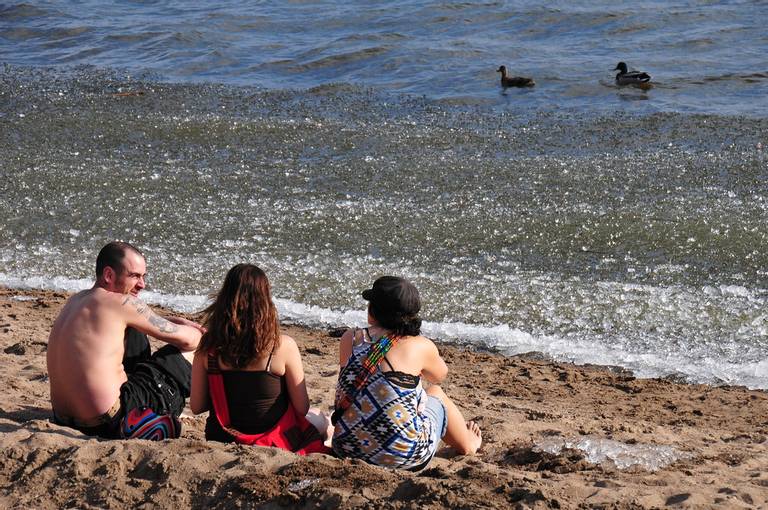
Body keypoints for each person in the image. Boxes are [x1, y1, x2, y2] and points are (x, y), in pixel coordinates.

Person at [47, 241, 203, 439]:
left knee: (135, 329)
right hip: (109, 420)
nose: (142, 284)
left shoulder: (75, 301)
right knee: (192, 351)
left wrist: (161, 319)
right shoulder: (123, 303)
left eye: (143, 276)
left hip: (63, 418)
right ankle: (148, 417)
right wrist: (192, 329)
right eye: (135, 276)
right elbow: (192, 341)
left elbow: (134, 317)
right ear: (109, 275)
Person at [332, 276, 482, 470]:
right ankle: (468, 444)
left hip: (346, 449)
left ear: (372, 310)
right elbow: (439, 375)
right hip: (403, 458)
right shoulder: (419, 345)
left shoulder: (350, 338)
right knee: (436, 393)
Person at [190, 264, 330, 454]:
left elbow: (197, 407)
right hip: (272, 442)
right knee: (321, 418)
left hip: (221, 438)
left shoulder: (209, 347)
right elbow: (302, 407)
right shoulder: (281, 345)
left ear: (224, 297)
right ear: (265, 299)